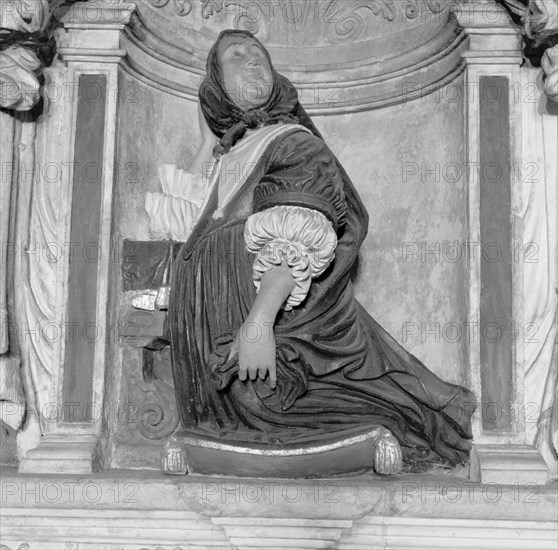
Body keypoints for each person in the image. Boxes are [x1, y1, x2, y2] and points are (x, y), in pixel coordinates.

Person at [145, 29, 476, 474]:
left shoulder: (293, 142)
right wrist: (209, 138)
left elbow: (298, 233)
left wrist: (260, 324)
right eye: (236, 56)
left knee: (279, 407)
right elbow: (186, 226)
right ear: (216, 84)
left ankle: (376, 429)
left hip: (264, 331)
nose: (254, 61)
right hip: (210, 349)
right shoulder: (234, 155)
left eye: (261, 55)